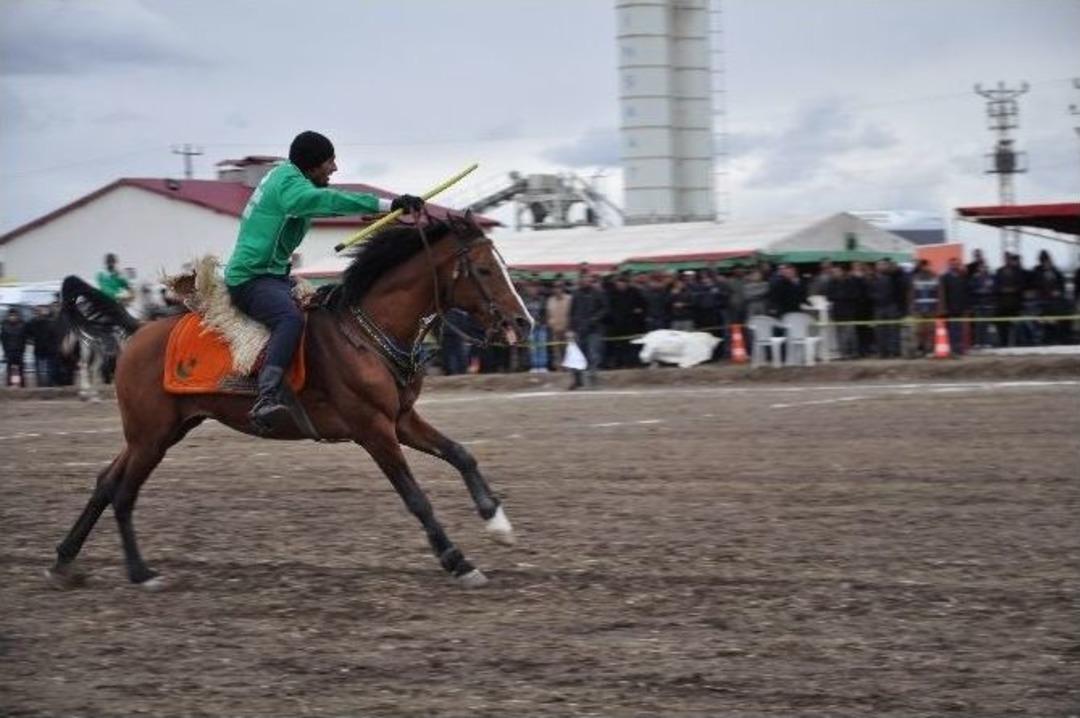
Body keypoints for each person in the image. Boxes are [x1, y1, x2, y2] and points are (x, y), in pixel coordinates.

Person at [225, 130, 424, 431]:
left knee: (327, 307)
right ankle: (267, 396)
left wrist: (380, 213)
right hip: (251, 280)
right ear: (312, 165)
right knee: (289, 320)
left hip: (275, 276)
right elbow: (324, 200)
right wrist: (386, 204)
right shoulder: (292, 188)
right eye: (330, 162)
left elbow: (322, 203)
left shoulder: (288, 178)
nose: (334, 168)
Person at [567, 272, 609, 389]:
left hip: (594, 329)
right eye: (583, 278)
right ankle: (577, 380)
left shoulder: (598, 293)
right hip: (579, 329)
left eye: (587, 278)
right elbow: (571, 312)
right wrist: (570, 328)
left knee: (593, 354)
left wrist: (595, 319)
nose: (585, 280)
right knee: (577, 356)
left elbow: (605, 309)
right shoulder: (576, 294)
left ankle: (592, 380)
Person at [26, 304, 61, 387]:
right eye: (37, 311)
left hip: (48, 349)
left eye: (40, 311)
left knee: (48, 369)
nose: (39, 313)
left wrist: (54, 346)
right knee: (40, 369)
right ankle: (41, 385)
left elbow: (54, 336)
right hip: (39, 348)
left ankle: (47, 384)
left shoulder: (49, 322)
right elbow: (28, 334)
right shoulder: (32, 323)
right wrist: (31, 341)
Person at [545, 281, 572, 369]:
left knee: (567, 349)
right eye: (555, 287)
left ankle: (568, 367)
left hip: (567, 328)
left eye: (559, 287)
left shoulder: (569, 299)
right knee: (556, 350)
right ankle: (559, 368)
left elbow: (572, 313)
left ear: (563, 288)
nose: (557, 289)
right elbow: (548, 314)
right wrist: (550, 323)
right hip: (555, 329)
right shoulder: (550, 300)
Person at [2, 307, 28, 387]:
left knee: (20, 370)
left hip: (19, 351)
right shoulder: (5, 325)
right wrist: (5, 351)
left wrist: (23, 349)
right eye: (11, 315)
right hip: (9, 351)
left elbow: (24, 338)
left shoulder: (22, 324)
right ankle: (10, 386)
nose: (13, 317)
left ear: (17, 316)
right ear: (8, 316)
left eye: (14, 315)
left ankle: (21, 386)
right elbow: (3, 339)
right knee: (10, 371)